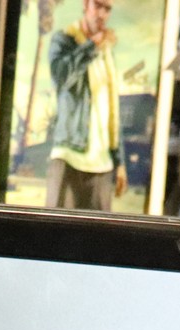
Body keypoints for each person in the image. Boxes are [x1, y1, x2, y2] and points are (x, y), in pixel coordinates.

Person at [44, 0, 125, 211]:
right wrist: (91, 46)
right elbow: (60, 77)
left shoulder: (107, 52)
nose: (102, 13)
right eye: (98, 5)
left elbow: (112, 108)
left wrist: (119, 162)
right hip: (69, 155)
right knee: (54, 228)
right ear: (86, 5)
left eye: (107, 9)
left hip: (102, 164)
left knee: (100, 232)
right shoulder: (65, 39)